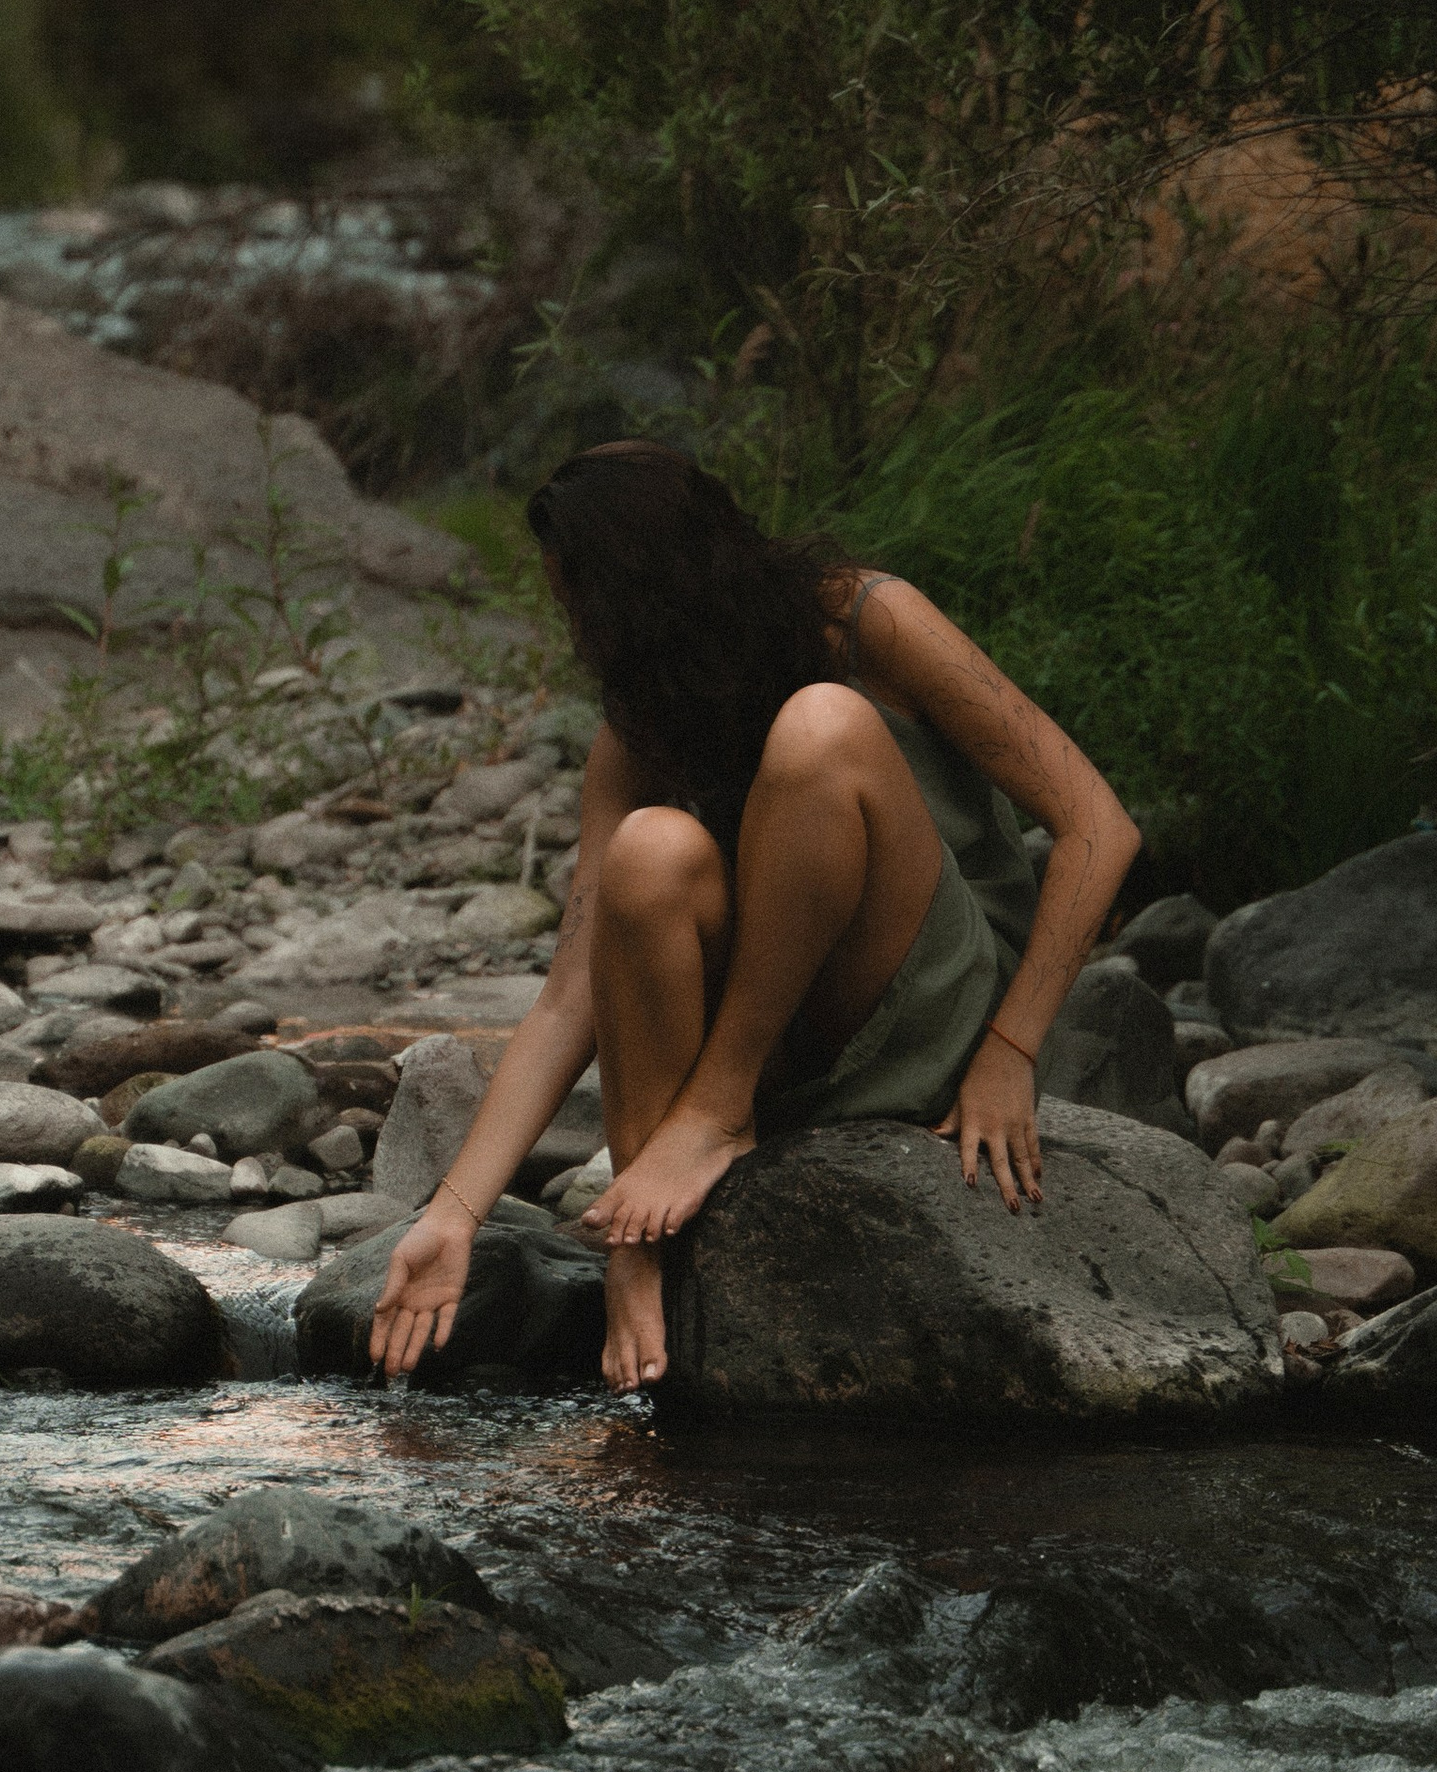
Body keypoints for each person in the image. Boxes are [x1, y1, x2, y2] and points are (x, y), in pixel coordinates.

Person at [369, 440, 1143, 1391]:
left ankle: (715, 1114)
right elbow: (572, 996)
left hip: (930, 1003)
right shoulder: (642, 721)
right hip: (785, 1037)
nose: (573, 628)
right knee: (648, 852)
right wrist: (452, 1215)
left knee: (823, 726)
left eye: (573, 599)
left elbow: (1098, 828)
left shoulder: (866, 619)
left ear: (628, 591)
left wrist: (1012, 1051)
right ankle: (639, 1256)